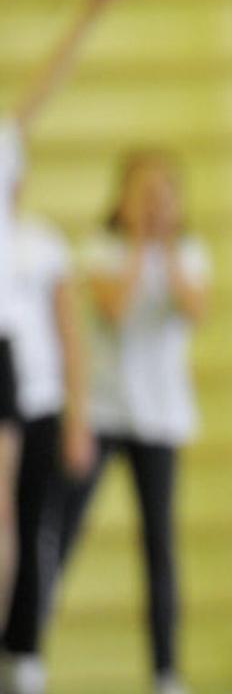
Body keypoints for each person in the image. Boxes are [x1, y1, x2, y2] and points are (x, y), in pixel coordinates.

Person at [0, 0, 130, 661]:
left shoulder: (37, 238)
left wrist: (88, 10)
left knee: (16, 522)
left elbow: (39, 88)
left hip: (23, 380)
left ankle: (20, 657)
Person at [54, 149, 209, 694]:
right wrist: (141, 245)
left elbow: (194, 309)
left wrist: (165, 248)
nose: (152, 205)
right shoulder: (100, 250)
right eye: (142, 195)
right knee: (61, 533)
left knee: (159, 545)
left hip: (161, 421)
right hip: (101, 414)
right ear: (120, 199)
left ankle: (166, 673)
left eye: (163, 195)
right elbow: (115, 309)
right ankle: (22, 648)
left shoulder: (190, 254)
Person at [0, 195, 90, 694]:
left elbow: (69, 333)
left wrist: (78, 417)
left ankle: (25, 651)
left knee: (34, 532)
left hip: (39, 405)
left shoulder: (41, 242)